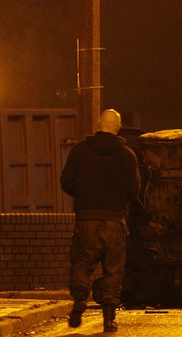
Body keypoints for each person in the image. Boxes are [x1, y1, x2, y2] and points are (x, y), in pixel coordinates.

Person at [61, 109, 141, 333]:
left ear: (99, 123)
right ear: (118, 127)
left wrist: (84, 196)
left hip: (86, 218)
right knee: (113, 269)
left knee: (81, 263)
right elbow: (133, 190)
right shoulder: (127, 155)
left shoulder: (79, 151)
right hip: (114, 221)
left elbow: (66, 181)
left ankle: (79, 298)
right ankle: (109, 317)